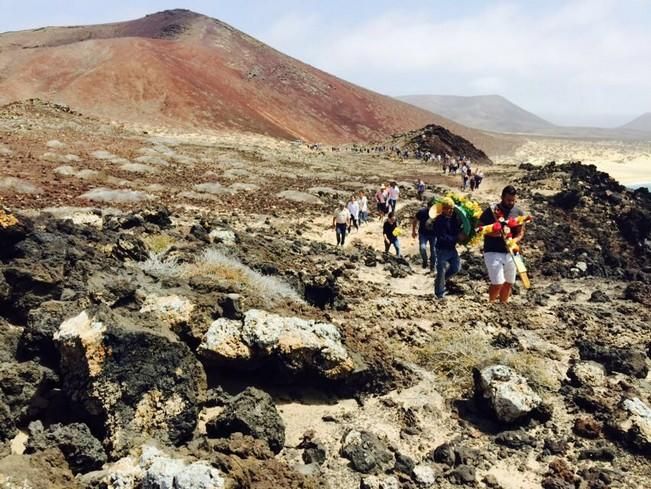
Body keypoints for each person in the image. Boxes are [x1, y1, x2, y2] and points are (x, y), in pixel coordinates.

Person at [479, 185, 526, 303]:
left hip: (511, 252)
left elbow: (520, 233)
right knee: (498, 282)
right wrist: (493, 234)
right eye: (508, 200)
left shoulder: (518, 212)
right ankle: (490, 304)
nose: (511, 203)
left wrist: (513, 241)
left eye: (513, 200)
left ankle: (503, 306)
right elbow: (478, 228)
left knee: (509, 282)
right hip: (492, 250)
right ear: (502, 198)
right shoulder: (492, 210)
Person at [432, 198, 465, 299]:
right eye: (448, 208)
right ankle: (439, 293)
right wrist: (457, 238)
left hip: (452, 249)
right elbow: (442, 237)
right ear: (443, 209)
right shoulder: (438, 221)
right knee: (441, 270)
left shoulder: (454, 218)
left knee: (456, 268)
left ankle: (439, 282)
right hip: (441, 249)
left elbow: (459, 228)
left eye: (451, 208)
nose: (450, 210)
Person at [411, 202, 436, 271]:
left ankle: (432, 265)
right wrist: (413, 231)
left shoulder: (437, 213)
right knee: (422, 248)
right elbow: (415, 220)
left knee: (434, 250)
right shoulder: (422, 212)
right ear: (427, 207)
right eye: (430, 207)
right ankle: (425, 261)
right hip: (423, 234)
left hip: (434, 235)